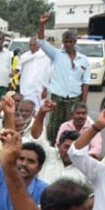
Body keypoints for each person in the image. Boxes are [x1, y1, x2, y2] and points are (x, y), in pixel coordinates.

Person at [36, 14, 90, 145]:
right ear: (63, 42)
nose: (68, 44)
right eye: (66, 41)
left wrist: (83, 102)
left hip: (74, 98)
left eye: (70, 41)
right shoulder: (56, 55)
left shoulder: (84, 60)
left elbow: (85, 82)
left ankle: (68, 150)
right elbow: (41, 42)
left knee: (71, 127)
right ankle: (51, 149)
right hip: (58, 98)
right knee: (54, 126)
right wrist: (42, 24)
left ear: (75, 42)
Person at [17, 37, 50, 110]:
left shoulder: (44, 56)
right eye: (30, 45)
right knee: (25, 109)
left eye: (34, 45)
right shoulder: (25, 56)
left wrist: (45, 89)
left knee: (38, 110)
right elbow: (18, 69)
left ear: (38, 45)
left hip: (38, 89)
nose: (32, 47)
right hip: (26, 88)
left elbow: (47, 73)